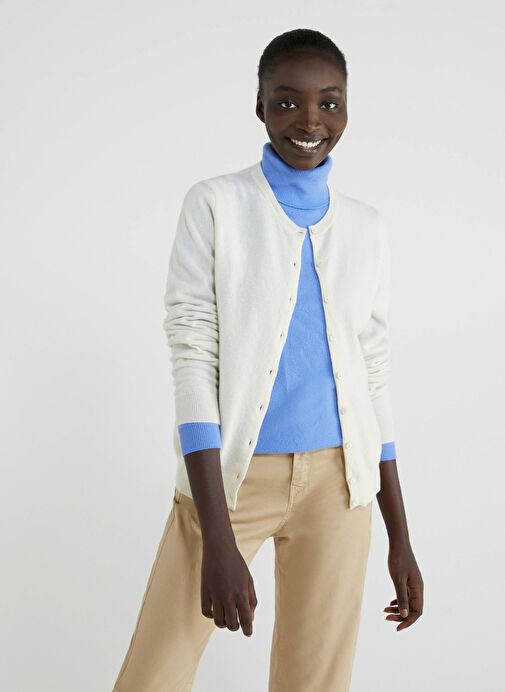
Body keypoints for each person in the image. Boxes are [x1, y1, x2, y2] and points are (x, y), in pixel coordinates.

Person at [112, 28, 424, 692]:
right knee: (152, 677)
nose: (309, 121)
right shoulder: (215, 205)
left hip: (342, 487)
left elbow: (372, 375)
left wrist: (400, 537)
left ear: (346, 109)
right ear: (259, 106)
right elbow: (192, 358)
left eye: (328, 103)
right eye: (287, 102)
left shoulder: (367, 227)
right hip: (230, 480)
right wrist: (216, 538)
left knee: (314, 684)